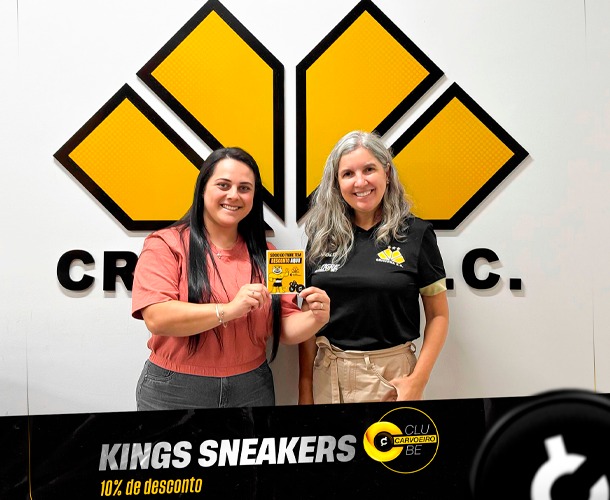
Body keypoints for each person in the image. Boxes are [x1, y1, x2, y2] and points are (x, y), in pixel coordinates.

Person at [132, 147, 330, 410]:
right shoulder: (165, 244)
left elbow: (285, 328)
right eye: (223, 185)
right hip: (175, 390)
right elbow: (157, 318)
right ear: (203, 189)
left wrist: (316, 318)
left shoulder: (268, 254)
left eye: (244, 188)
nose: (234, 195)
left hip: (251, 387)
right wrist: (229, 310)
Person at [298, 131, 448, 404]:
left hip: (392, 378)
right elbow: (308, 318)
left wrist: (418, 380)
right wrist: (305, 388)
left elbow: (438, 315)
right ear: (336, 183)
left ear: (386, 173)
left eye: (369, 169)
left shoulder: (417, 234)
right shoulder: (321, 237)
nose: (360, 182)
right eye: (348, 174)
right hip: (328, 376)